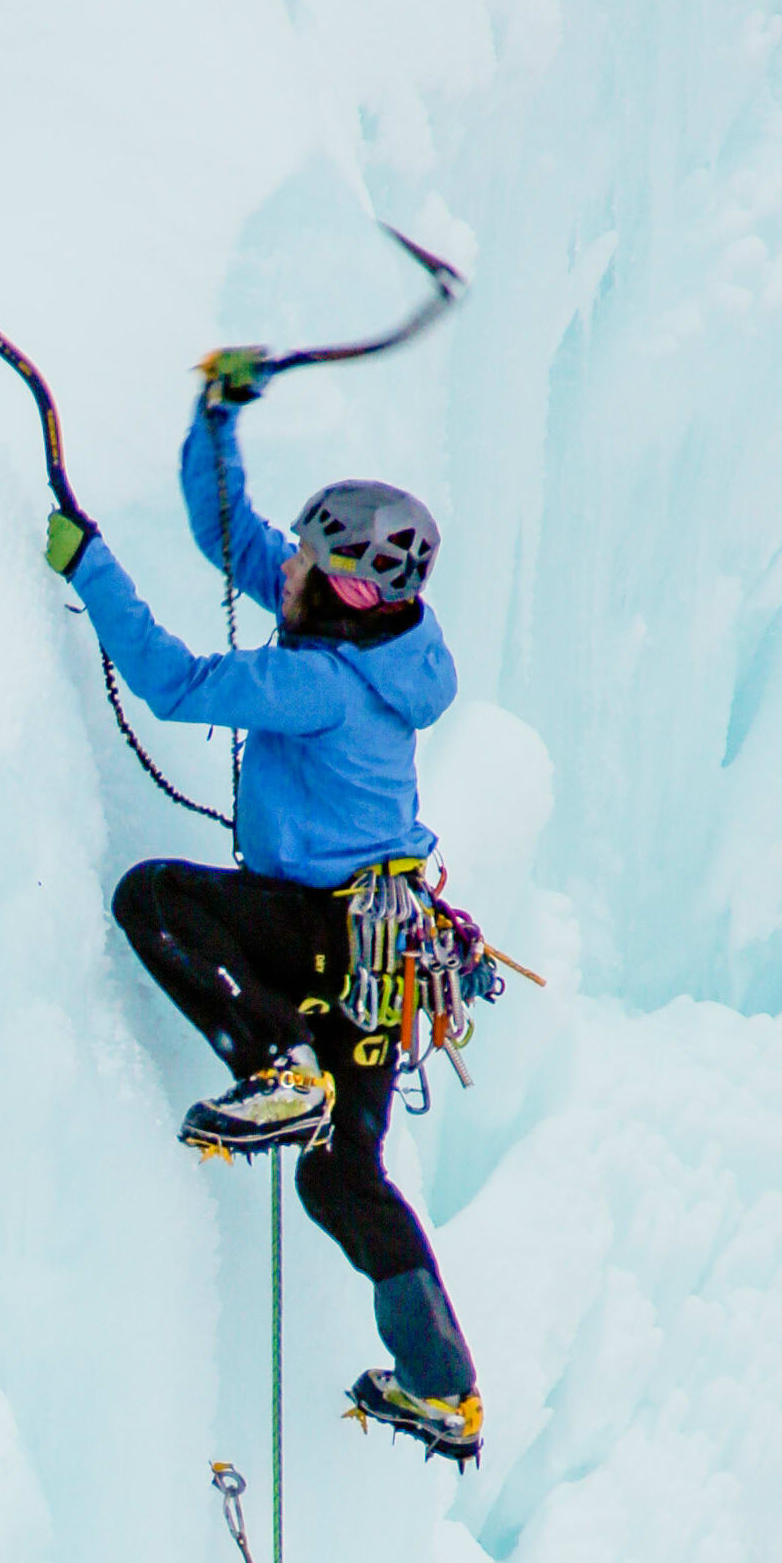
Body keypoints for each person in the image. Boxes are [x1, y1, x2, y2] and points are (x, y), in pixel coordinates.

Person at [41, 352, 486, 1463]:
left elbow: (179, 685)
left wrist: (87, 565)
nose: (281, 566)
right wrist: (214, 414)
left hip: (327, 933)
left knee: (157, 900)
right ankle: (443, 1388)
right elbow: (225, 532)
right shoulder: (377, 650)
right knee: (343, 1175)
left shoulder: (318, 685)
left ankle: (281, 1066)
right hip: (385, 953)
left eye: (308, 560)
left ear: (340, 587)